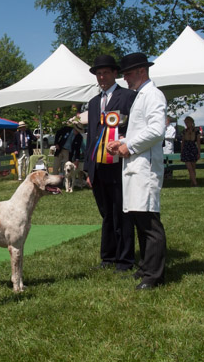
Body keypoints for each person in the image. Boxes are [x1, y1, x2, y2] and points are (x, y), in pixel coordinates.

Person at [106, 52, 167, 290]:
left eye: (128, 73)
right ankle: (145, 268)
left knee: (149, 222)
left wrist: (128, 145)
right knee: (139, 218)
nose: (125, 78)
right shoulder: (142, 95)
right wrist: (122, 140)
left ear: (142, 71)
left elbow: (156, 130)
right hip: (136, 166)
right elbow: (142, 130)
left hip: (146, 168)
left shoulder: (153, 95)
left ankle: (154, 275)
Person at [84, 54, 137, 272]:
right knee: (106, 213)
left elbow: (135, 128)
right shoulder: (94, 102)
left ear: (116, 74)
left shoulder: (128, 97)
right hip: (99, 166)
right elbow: (91, 135)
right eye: (99, 73)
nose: (102, 77)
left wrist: (123, 142)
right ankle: (108, 257)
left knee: (121, 213)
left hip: (119, 163)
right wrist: (88, 169)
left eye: (106, 72)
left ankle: (125, 260)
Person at [180, 116, 201, 187]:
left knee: (193, 167)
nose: (186, 124)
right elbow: (182, 142)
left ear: (191, 122)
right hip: (186, 150)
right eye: (185, 123)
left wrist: (199, 152)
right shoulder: (184, 131)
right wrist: (181, 151)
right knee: (189, 168)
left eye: (187, 122)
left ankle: (192, 182)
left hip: (193, 149)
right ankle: (195, 183)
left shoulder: (196, 131)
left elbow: (198, 143)